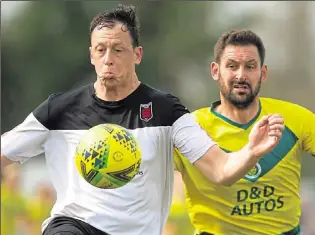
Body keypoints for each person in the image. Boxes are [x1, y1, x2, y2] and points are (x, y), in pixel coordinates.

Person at [0, 5, 285, 235]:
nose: (108, 59)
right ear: (91, 55)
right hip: (73, 225)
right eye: (101, 50)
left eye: (118, 49)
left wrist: (251, 151)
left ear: (137, 54)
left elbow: (220, 169)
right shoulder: (58, 110)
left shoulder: (166, 112)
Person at [174, 29, 315, 235]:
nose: (241, 75)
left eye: (250, 67)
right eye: (232, 66)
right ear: (215, 71)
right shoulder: (189, 128)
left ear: (263, 73)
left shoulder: (295, 118)